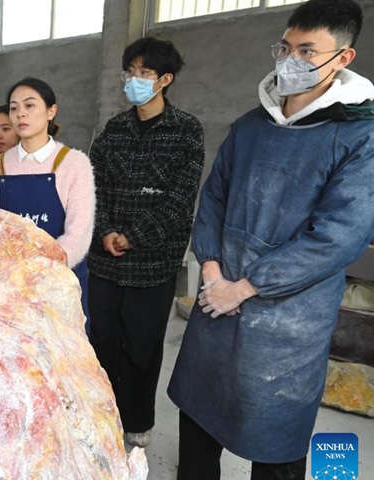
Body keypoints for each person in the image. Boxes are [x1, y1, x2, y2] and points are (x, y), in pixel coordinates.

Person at [167, 1, 374, 478]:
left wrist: (244, 287)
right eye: (285, 46)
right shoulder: (249, 127)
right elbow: (213, 200)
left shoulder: (358, 139)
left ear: (343, 58)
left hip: (287, 323)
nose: (289, 60)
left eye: (307, 51)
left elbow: (338, 236)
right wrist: (214, 273)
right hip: (218, 301)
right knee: (198, 421)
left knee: (276, 442)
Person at [87, 38, 205, 448]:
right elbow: (93, 187)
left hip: (153, 263)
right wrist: (104, 231)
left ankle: (136, 423)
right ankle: (100, 417)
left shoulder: (186, 131)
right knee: (101, 343)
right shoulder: (113, 131)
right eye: (130, 72)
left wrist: (133, 236)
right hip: (105, 261)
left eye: (144, 73)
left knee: (141, 347)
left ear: (165, 80)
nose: (134, 80)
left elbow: (180, 199)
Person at [0, 77, 95, 334]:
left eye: (30, 105)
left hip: (59, 286)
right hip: (9, 287)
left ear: (51, 111)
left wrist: (39, 273)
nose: (20, 113)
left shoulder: (74, 163)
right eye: (14, 107)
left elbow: (78, 234)